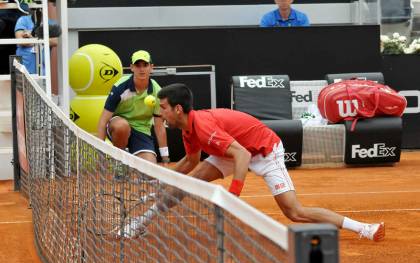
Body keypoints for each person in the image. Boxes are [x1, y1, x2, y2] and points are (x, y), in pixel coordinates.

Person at [120, 83, 385, 242]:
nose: (160, 113)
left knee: (294, 212)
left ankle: (363, 228)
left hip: (264, 151)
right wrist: (168, 179)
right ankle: (141, 223)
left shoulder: (202, 126)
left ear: (178, 109)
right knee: (188, 182)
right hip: (232, 149)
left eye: (163, 107)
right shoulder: (188, 130)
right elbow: (191, 160)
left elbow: (243, 156)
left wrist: (233, 194)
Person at [97, 50, 169, 164]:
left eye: (145, 65)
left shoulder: (157, 91)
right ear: (132, 67)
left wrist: (165, 157)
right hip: (117, 127)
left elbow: (159, 127)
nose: (141, 69)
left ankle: (133, 158)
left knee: (149, 173)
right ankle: (120, 163)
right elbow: (103, 121)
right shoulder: (120, 87)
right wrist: (99, 153)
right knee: (122, 126)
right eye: (137, 65)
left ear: (151, 67)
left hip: (141, 131)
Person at [14, 9, 59, 74]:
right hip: (23, 69)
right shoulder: (23, 20)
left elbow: (55, 41)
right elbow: (21, 41)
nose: (39, 10)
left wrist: (31, 36)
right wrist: (44, 39)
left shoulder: (51, 23)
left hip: (42, 73)